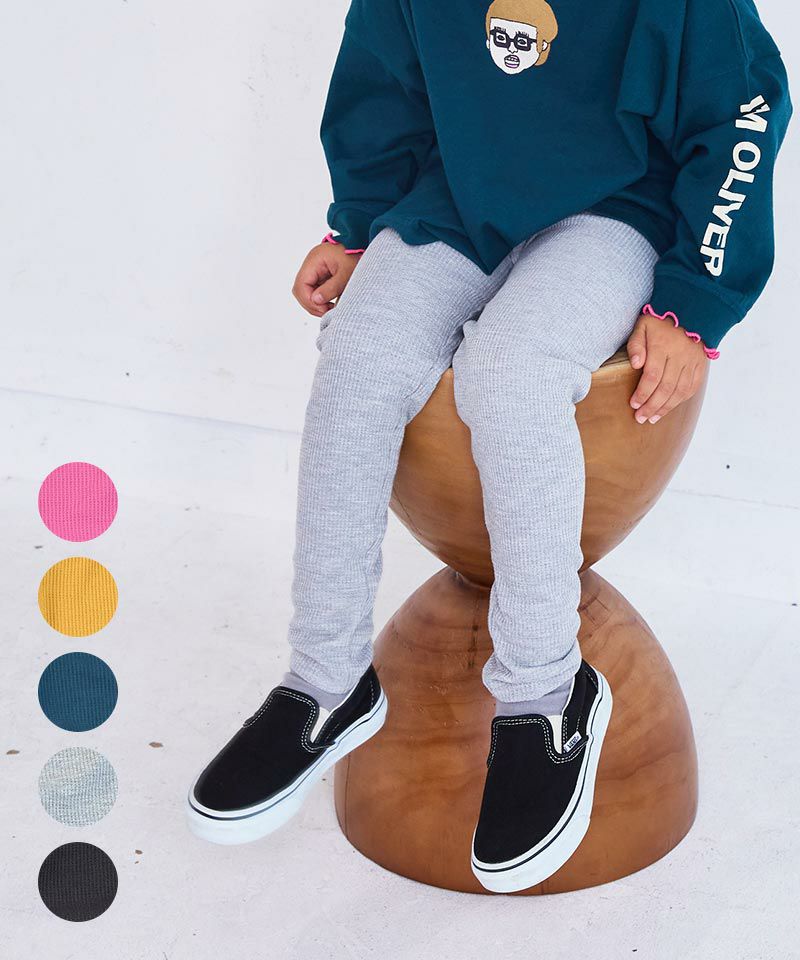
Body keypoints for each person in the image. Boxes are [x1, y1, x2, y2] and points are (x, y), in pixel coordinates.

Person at [187, 0, 791, 891]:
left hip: (617, 208)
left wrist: (695, 298)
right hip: (460, 197)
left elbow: (740, 107)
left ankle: (548, 696)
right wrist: (358, 224)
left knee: (509, 372)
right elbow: (381, 80)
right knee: (358, 354)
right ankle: (326, 681)